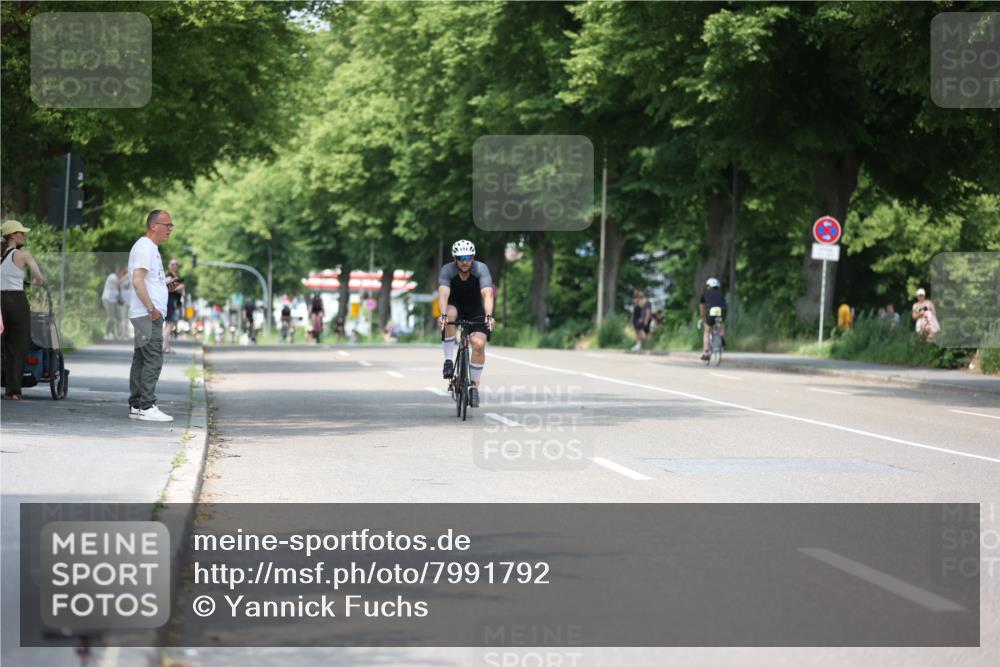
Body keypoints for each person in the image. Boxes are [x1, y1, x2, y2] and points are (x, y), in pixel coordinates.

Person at [127, 210, 180, 421]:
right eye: (167, 225)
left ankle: (138, 405)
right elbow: (138, 280)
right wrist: (152, 309)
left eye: (171, 226)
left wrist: (169, 287)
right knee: (153, 359)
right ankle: (147, 405)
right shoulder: (144, 247)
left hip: (146, 312)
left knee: (141, 359)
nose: (170, 229)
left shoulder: (151, 249)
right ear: (153, 225)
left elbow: (151, 281)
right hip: (147, 313)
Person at [438, 239, 494, 408]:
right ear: (455, 258)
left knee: (478, 344)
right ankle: (448, 360)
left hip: (476, 308)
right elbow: (443, 294)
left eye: (468, 257)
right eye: (460, 258)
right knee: (449, 316)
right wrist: (442, 314)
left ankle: (474, 386)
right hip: (455, 304)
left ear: (473, 257)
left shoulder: (480, 269)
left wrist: (489, 316)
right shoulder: (447, 270)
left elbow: (487, 294)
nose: (464, 262)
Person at [1, 220, 46, 400]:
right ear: (13, 235)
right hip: (17, 301)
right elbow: (39, 278)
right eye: (21, 232)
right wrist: (33, 284)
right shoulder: (23, 255)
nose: (23, 236)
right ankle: (13, 391)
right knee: (18, 346)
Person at [699, 277, 727, 361]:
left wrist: (703, 317)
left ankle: (706, 352)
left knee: (707, 331)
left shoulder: (704, 294)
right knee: (721, 325)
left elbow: (702, 308)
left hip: (712, 311)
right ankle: (721, 337)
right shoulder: (721, 294)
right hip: (722, 311)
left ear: (709, 286)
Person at [163, 258, 184, 353]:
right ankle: (164, 346)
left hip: (174, 301)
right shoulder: (168, 276)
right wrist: (179, 286)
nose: (173, 266)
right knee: (169, 323)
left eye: (175, 264)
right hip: (169, 302)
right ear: (168, 265)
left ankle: (165, 345)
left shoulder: (175, 276)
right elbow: (167, 288)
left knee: (170, 324)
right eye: (172, 264)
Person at [102, 265, 126, 339]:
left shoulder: (119, 279)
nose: (123, 275)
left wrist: (122, 299)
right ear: (119, 272)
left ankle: (119, 334)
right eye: (123, 273)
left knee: (119, 317)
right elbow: (116, 283)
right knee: (111, 317)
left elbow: (118, 290)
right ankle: (106, 334)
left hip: (114, 300)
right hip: (108, 299)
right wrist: (126, 277)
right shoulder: (112, 276)